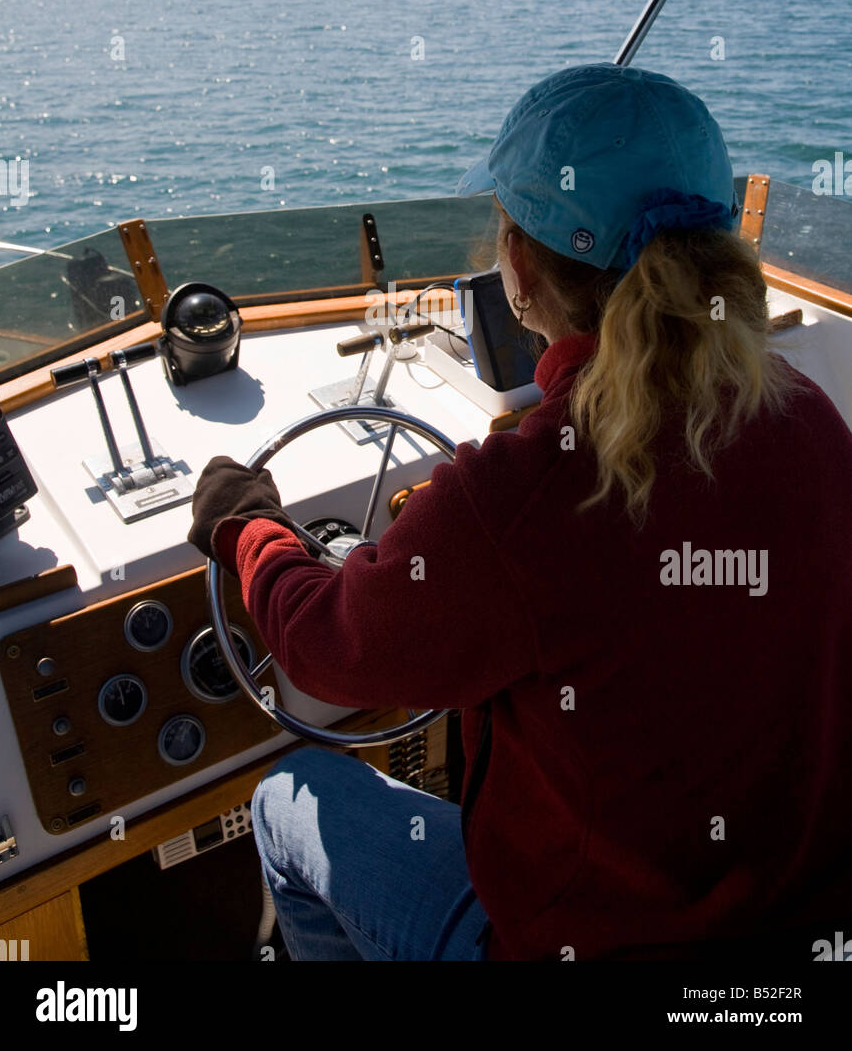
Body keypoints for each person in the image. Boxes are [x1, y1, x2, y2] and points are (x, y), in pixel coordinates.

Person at [188, 62, 852, 961]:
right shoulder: (807, 416)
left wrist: (248, 528)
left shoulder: (521, 495)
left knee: (285, 799)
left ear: (523, 267)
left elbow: (322, 646)